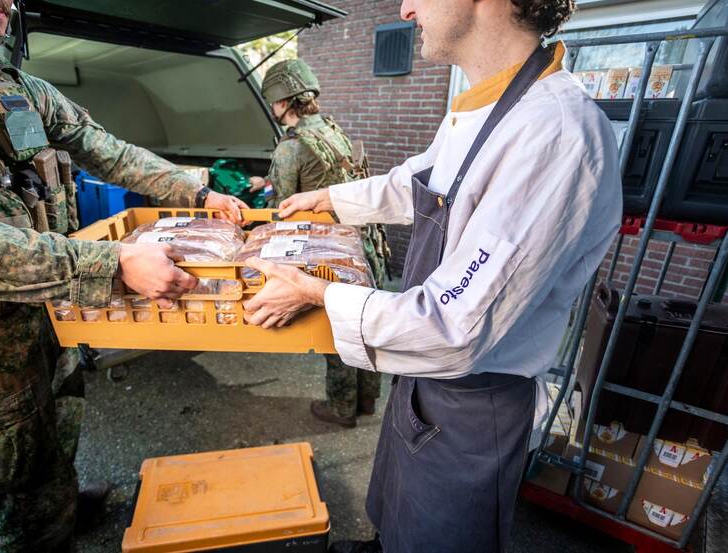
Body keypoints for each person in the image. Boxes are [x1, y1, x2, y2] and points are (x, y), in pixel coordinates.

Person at [242, 0, 622, 551]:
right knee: (394, 505)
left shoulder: (554, 135)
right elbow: (419, 181)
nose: (406, 7)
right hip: (425, 377)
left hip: (474, 397)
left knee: (436, 533)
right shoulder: (485, 104)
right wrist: (330, 197)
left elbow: (452, 327)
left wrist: (318, 292)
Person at [0, 0, 246, 551]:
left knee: (58, 419)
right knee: (7, 465)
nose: (6, 2)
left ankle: (60, 504)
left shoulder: (10, 83)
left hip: (49, 303)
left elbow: (105, 150)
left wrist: (197, 193)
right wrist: (109, 265)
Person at [249, 59, 388, 428]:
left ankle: (342, 409)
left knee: (338, 330)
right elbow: (323, 175)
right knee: (364, 323)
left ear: (280, 101)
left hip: (327, 251)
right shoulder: (328, 129)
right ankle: (368, 400)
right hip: (361, 244)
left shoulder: (289, 147)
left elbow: (284, 203)